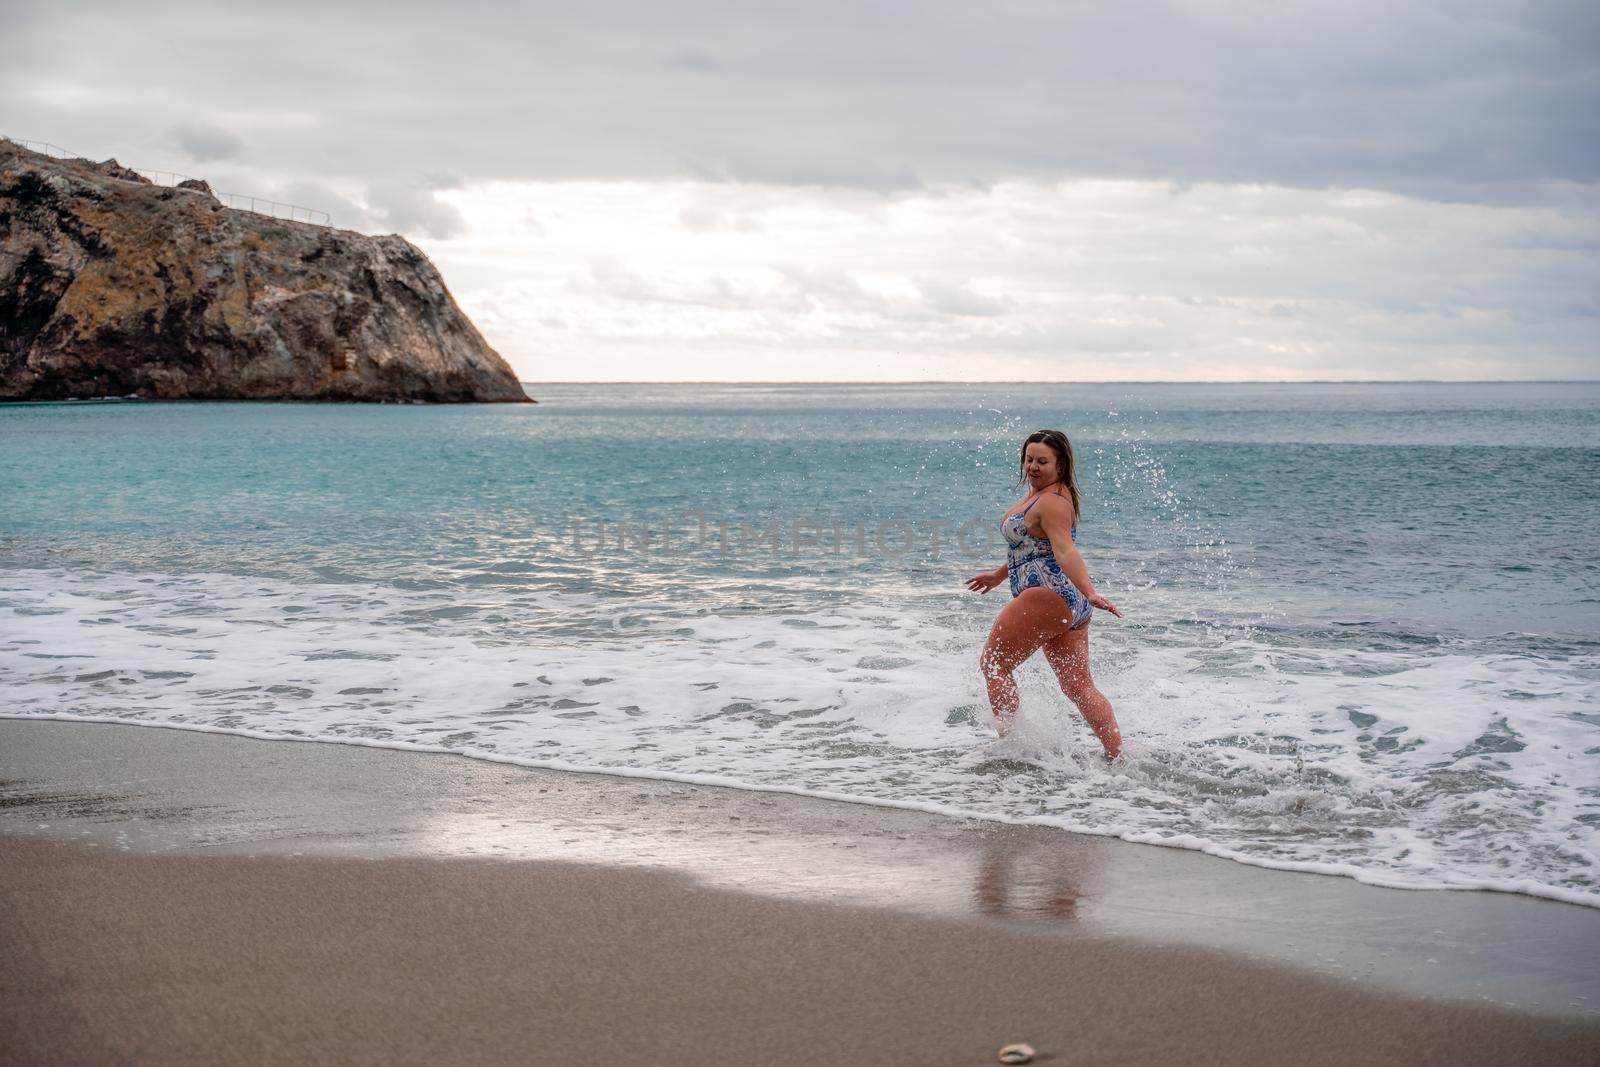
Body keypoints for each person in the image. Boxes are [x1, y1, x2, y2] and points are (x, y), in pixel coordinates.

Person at [966, 429, 1124, 758]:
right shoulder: (1046, 495)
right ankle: (1118, 756)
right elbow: (1036, 549)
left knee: (994, 665)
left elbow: (1065, 552)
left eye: (1042, 461)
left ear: (1061, 465)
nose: (1033, 467)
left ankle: (1009, 744)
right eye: (1029, 459)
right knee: (1078, 687)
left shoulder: (1052, 502)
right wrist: (998, 575)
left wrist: (1091, 591)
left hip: (1047, 596)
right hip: (1069, 603)